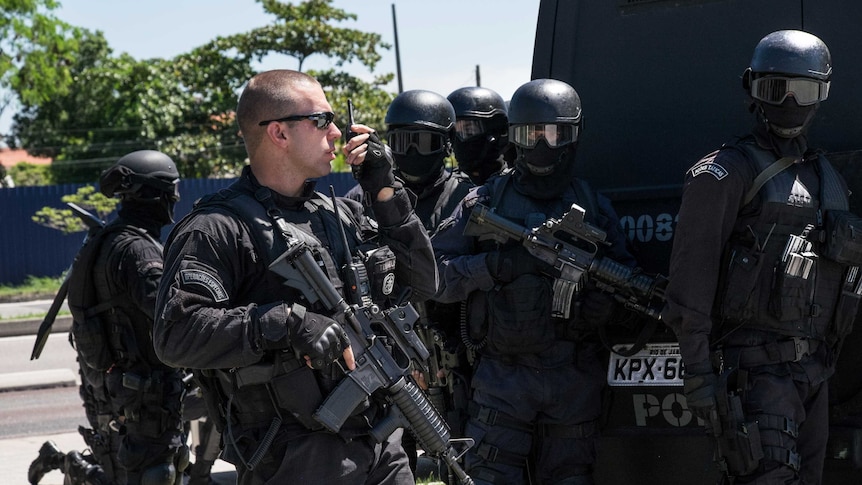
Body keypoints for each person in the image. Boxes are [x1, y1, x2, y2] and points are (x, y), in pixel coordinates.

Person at [152, 69, 437, 485]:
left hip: (377, 443)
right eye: (322, 120)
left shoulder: (342, 214)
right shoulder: (216, 227)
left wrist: (385, 192)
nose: (337, 133)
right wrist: (284, 322)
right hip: (294, 455)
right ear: (279, 134)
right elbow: (175, 334)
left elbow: (426, 282)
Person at [663, 30, 861, 484]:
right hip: (756, 377)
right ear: (753, 90)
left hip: (815, 375)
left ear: (822, 94)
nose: (790, 101)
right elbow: (689, 285)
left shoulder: (826, 176)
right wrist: (698, 375)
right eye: (776, 89)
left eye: (803, 90)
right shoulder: (725, 171)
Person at [431, 78, 636, 485]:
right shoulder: (485, 202)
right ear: (514, 138)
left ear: (573, 135)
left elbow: (626, 282)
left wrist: (611, 311)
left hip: (573, 377)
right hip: (503, 378)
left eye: (555, 133)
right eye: (531, 134)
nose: (543, 144)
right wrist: (497, 266)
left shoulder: (593, 207)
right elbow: (434, 276)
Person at [28, 150, 188, 485]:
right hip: (145, 396)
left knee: (120, 471)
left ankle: (69, 463)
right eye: (171, 189)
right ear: (154, 193)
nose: (175, 197)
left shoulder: (100, 242)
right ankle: (72, 465)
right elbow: (176, 318)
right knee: (153, 474)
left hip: (107, 388)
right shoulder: (138, 251)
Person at [349, 89, 475, 478]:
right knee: (392, 462)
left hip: (458, 354)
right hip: (392, 354)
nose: (415, 153)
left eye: (427, 142)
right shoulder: (364, 197)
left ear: (446, 145)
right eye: (404, 142)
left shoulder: (469, 196)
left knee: (462, 460)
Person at [447, 86, 509, 185]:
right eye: (454, 133)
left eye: (468, 130)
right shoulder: (447, 190)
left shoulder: (515, 188)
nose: (459, 140)